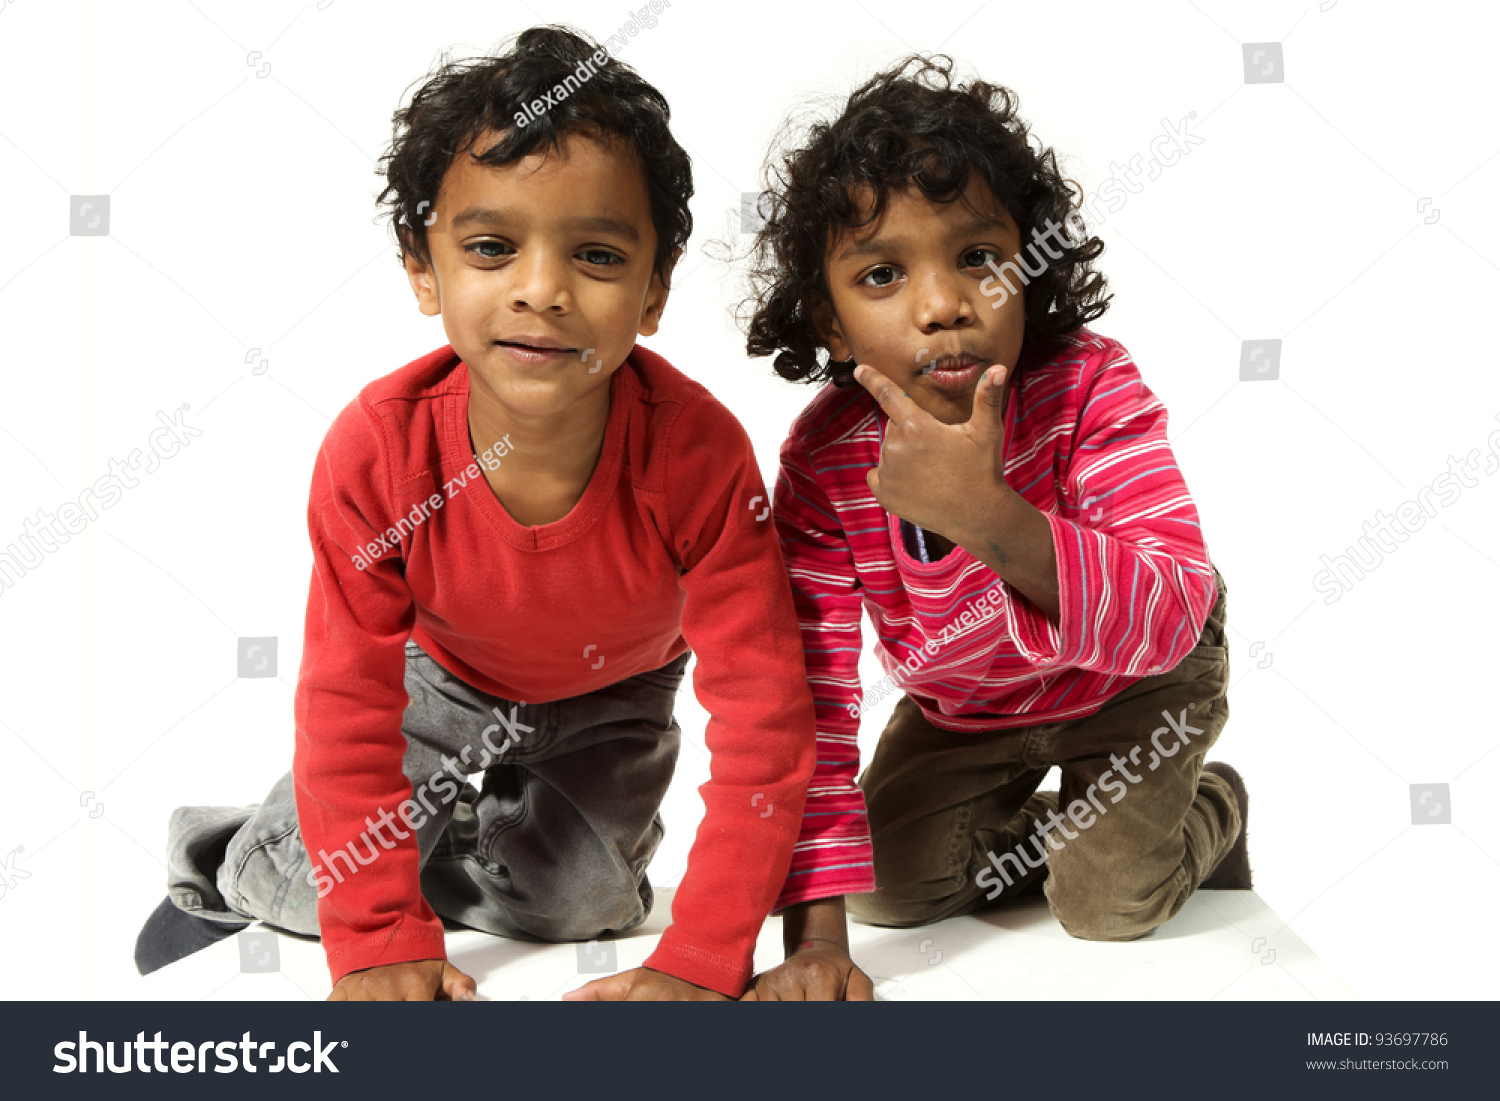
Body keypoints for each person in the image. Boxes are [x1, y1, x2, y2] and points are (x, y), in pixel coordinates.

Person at [134, 23, 816, 1002]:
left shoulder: (697, 455)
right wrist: (376, 938)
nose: (541, 291)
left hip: (615, 700)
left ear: (655, 290)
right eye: (492, 248)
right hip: (441, 684)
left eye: (596, 255)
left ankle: (438, 836)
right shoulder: (380, 448)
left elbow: (764, 719)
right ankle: (230, 849)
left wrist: (702, 961)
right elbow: (347, 705)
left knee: (580, 906)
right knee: (306, 886)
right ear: (426, 268)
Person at [736, 55, 1250, 1001]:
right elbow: (810, 691)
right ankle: (1054, 823)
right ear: (831, 321)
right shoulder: (823, 461)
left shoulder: (1090, 386)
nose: (944, 305)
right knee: (888, 890)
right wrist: (815, 941)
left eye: (979, 257)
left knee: (1108, 903)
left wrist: (988, 516)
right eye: (883, 273)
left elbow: (1173, 606)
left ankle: (1207, 804)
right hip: (970, 705)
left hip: (1134, 679)